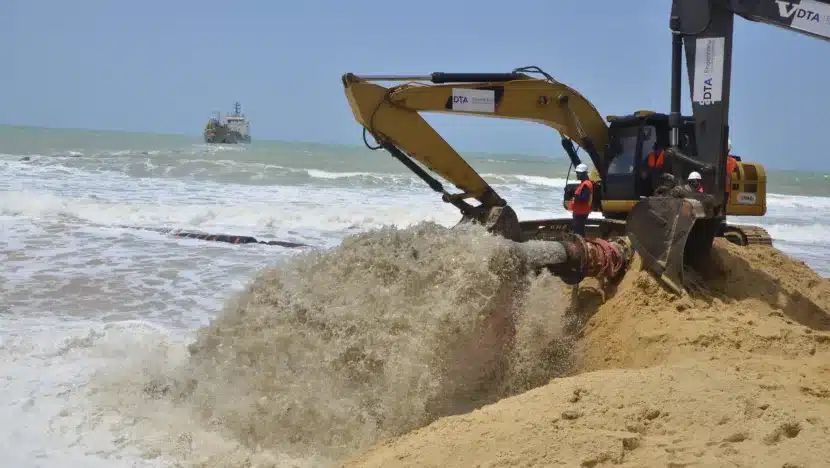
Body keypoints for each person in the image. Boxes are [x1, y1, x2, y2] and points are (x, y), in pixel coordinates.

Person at [568, 163, 593, 237]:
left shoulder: (586, 184)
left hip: (581, 212)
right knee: (578, 230)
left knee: (579, 231)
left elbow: (584, 198)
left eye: (579, 173)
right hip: (579, 211)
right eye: (577, 173)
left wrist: (575, 195)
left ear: (585, 173)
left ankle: (581, 246)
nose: (577, 175)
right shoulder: (584, 183)